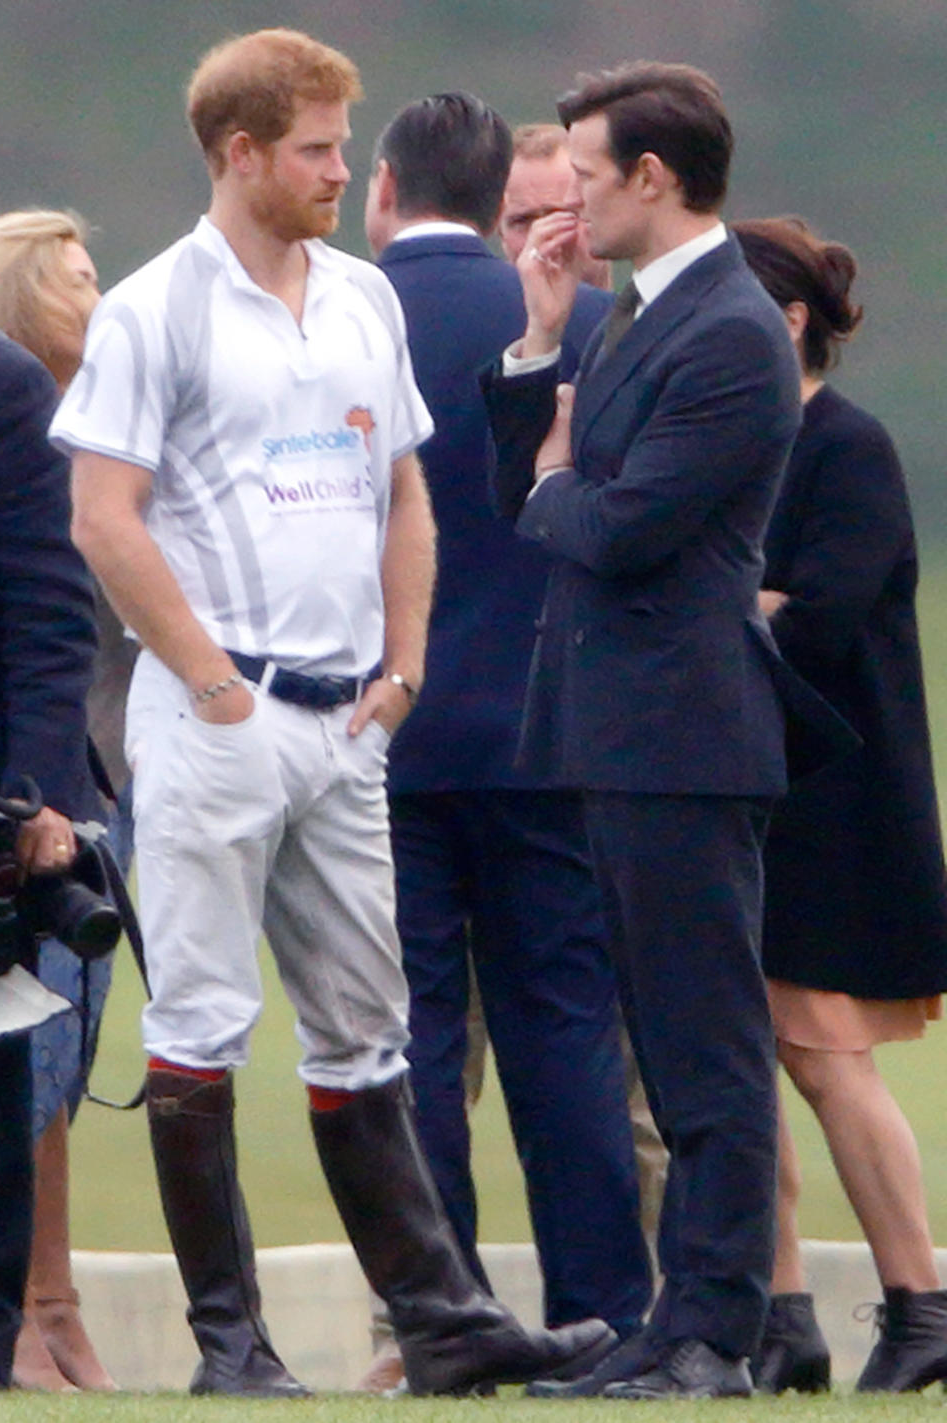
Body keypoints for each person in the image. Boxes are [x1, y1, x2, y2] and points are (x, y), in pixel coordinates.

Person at [51, 28, 612, 1399]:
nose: (340, 170)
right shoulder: (152, 309)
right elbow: (103, 516)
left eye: (341, 148)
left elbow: (406, 489)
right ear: (241, 154)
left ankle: (442, 1319)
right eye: (316, 149)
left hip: (350, 722)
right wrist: (208, 678)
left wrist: (404, 662)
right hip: (218, 719)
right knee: (198, 1024)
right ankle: (231, 1345)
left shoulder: (363, 295)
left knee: (370, 1026)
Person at [481, 61, 851, 1400]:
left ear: (652, 177)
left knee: (705, 1051)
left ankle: (715, 1331)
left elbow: (618, 529)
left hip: (684, 735)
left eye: (583, 171)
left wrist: (562, 476)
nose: (561, 197)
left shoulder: (732, 331)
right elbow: (529, 491)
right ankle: (672, 1318)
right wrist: (536, 348)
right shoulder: (637, 317)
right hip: (617, 728)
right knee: (666, 1031)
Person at [361, 91, 648, 1390]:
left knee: (411, 1038)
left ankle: (445, 1312)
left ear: (382, 190)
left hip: (387, 733)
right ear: (501, 202)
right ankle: (607, 1313)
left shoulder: (336, 319)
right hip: (552, 728)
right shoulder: (591, 325)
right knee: (568, 1031)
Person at [733, 216, 947, 1394]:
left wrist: (730, 606)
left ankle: (920, 1298)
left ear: (792, 318)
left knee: (826, 1057)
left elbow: (819, 611)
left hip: (835, 801)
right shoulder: (741, 445)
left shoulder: (844, 445)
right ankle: (783, 1313)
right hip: (745, 791)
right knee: (740, 1053)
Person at [499, 118, 669, 1281]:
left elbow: (611, 527)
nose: (544, 237)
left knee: (639, 1064)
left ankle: (662, 1300)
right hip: (483, 735)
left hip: (611, 738)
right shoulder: (511, 339)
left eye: (565, 211)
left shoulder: (655, 345)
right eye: (519, 219)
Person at [0, 206, 122, 1392]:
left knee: (29, 1068)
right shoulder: (25, 400)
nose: (103, 294)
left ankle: (28, 1316)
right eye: (79, 281)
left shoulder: (30, 401)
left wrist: (42, 800)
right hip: (30, 787)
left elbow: (53, 622)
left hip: (25, 794)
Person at [498, 123, 612, 290]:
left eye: (562, 216)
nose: (541, 235)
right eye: (522, 221)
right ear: (500, 232)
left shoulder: (653, 313)